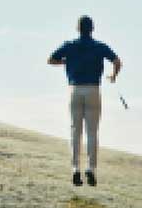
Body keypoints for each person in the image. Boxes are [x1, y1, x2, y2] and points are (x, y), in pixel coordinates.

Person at [48, 15, 122, 187]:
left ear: (77, 28)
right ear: (92, 28)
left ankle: (75, 168)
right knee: (92, 132)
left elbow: (50, 60)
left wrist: (65, 61)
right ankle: (91, 168)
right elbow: (117, 62)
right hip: (93, 89)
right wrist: (113, 76)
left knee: (75, 130)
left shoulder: (69, 45)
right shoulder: (99, 46)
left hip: (74, 89)